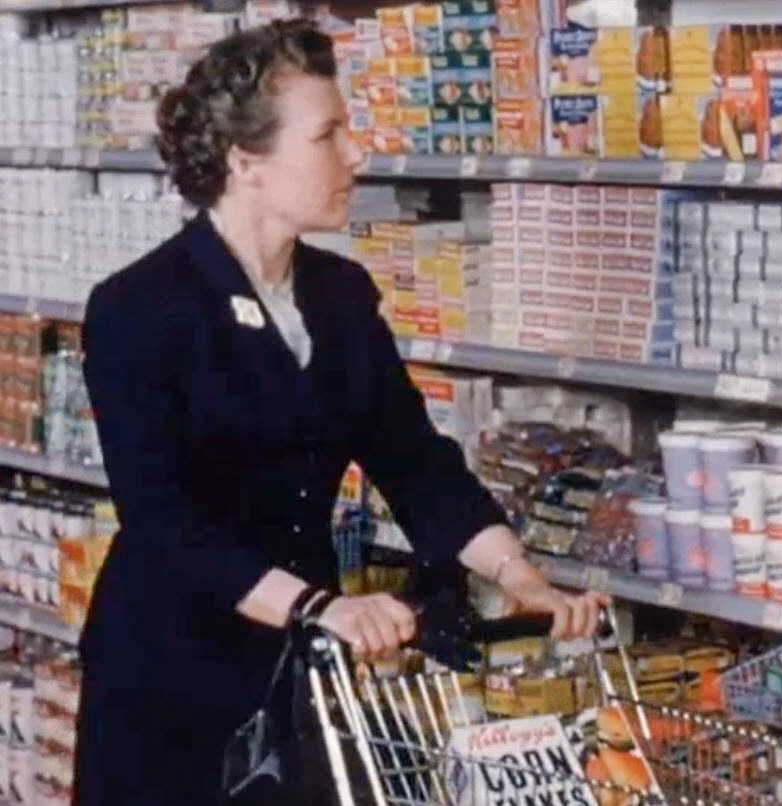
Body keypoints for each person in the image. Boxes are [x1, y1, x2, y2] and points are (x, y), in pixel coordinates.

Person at [74, 19, 607, 806]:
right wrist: (319, 607)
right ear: (247, 161)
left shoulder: (340, 295)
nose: (357, 155)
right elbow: (163, 522)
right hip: (169, 684)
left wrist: (518, 575)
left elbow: (413, 459)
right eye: (328, 135)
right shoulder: (139, 308)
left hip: (303, 670)